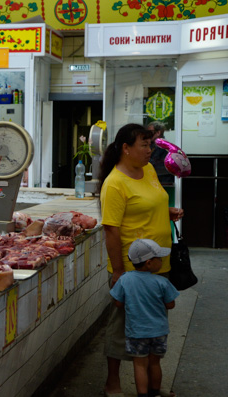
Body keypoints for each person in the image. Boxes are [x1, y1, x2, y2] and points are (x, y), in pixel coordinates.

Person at [97, 123, 184, 397]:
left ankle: (150, 388)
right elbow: (111, 229)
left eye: (151, 144)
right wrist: (118, 272)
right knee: (121, 326)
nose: (150, 150)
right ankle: (113, 382)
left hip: (159, 265)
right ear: (126, 148)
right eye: (144, 145)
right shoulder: (115, 183)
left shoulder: (147, 170)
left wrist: (165, 211)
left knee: (151, 327)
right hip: (131, 271)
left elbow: (150, 201)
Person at [110, 239, 179, 397]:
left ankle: (142, 394)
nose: (161, 261)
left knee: (140, 365)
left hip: (136, 332)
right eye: (159, 259)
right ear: (149, 263)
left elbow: (118, 303)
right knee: (155, 363)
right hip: (159, 331)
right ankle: (155, 392)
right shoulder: (162, 281)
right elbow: (171, 305)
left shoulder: (125, 279)